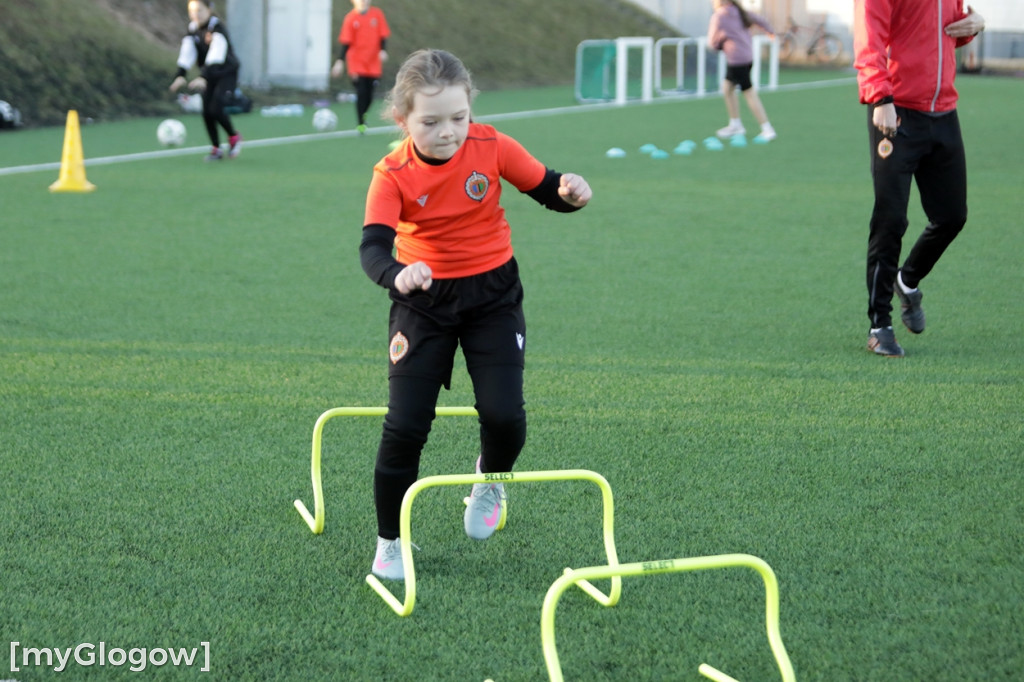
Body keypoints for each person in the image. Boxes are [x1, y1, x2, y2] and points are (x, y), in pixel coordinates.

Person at [359, 49, 593, 580]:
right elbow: (372, 248)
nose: (449, 132)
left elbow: (548, 187)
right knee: (405, 426)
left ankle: (490, 481)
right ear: (403, 120)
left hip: (493, 298)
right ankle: (390, 541)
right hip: (424, 304)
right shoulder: (391, 174)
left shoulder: (492, 146)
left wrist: (571, 191)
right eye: (431, 121)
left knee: (505, 415)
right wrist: (398, 274)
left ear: (472, 108)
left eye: (459, 118)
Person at [854, 0, 985, 357]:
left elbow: (942, 31)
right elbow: (871, 34)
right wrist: (880, 95)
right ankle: (880, 325)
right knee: (891, 219)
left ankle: (907, 280)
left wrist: (972, 23)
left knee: (951, 216)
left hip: (944, 113)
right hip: (895, 112)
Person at [169, 0, 242, 161]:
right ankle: (216, 149)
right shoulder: (193, 29)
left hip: (226, 73)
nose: (195, 14)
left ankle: (234, 137)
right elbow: (187, 52)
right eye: (192, 10)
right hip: (208, 74)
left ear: (209, 10)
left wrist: (204, 77)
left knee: (216, 107)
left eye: (199, 10)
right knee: (206, 111)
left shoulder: (217, 29)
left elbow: (216, 54)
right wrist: (180, 74)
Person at [708, 0, 776, 142]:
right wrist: (770, 32)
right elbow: (760, 20)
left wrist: (719, 44)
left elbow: (713, 42)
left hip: (736, 59)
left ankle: (767, 129)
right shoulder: (740, 11)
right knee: (727, 88)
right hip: (747, 57)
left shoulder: (719, 16)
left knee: (749, 93)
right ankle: (735, 124)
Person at [330, 0, 390, 134]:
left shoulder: (377, 14)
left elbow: (383, 36)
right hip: (357, 63)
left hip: (373, 63)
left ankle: (364, 114)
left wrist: (382, 50)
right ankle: (360, 124)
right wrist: (340, 61)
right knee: (361, 92)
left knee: (370, 95)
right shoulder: (350, 18)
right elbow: (346, 42)